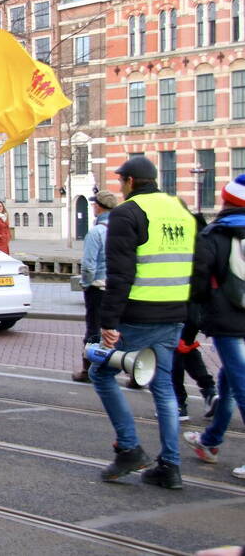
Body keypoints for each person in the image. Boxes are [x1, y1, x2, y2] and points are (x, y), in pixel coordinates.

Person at [92, 155, 197, 490]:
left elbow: (120, 274)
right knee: (163, 387)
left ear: (131, 182)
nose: (120, 188)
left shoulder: (127, 213)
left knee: (101, 372)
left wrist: (107, 322)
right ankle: (171, 466)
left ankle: (129, 448)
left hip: (138, 315)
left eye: (121, 182)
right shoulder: (181, 209)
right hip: (173, 312)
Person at [183, 173, 245, 481]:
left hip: (227, 322)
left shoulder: (213, 235)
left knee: (241, 383)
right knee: (229, 381)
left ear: (226, 200)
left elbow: (198, 285)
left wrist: (192, 324)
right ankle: (211, 441)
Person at [73, 191, 118, 382]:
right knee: (116, 329)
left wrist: (85, 284)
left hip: (98, 287)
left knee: (93, 329)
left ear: (98, 207)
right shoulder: (121, 230)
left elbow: (89, 264)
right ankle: (130, 369)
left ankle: (88, 369)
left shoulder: (96, 232)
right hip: (117, 287)